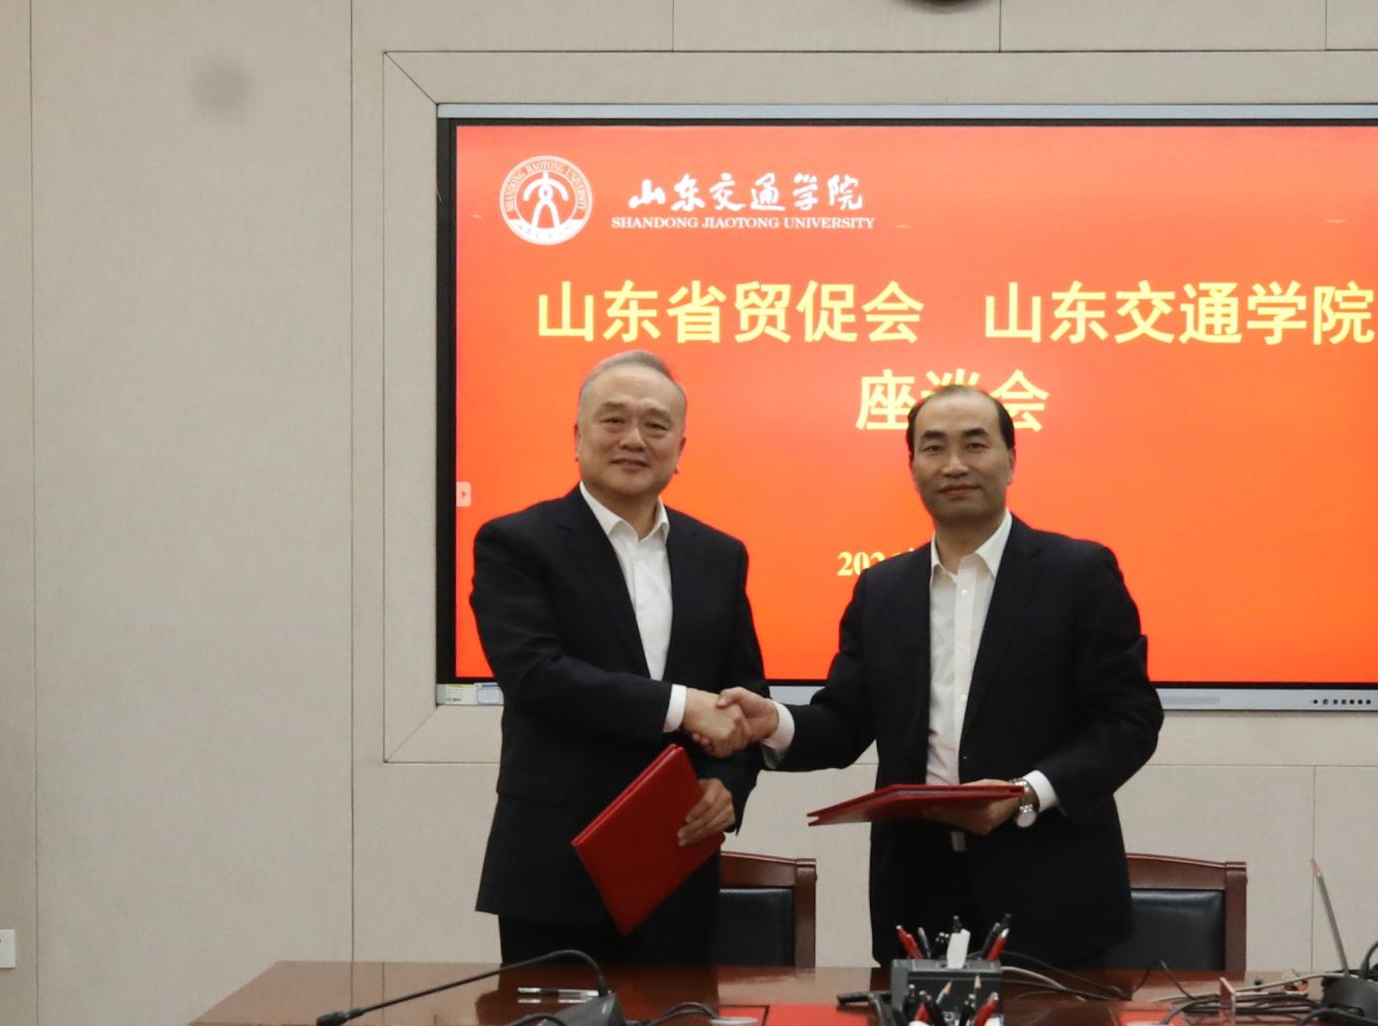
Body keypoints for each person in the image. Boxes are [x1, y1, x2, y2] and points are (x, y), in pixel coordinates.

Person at [715, 385, 1162, 965]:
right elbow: (844, 724)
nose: (954, 464)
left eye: (975, 445)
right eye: (933, 448)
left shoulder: (1078, 573)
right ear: (913, 468)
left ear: (1011, 460)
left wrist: (1026, 793)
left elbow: (1129, 721)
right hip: (917, 891)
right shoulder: (882, 589)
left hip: (1051, 887)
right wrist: (771, 721)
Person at [470, 351, 763, 964]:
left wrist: (729, 785)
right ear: (577, 436)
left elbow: (742, 697)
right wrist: (682, 707)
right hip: (553, 869)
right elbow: (537, 677)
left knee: (678, 1009)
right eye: (614, 420)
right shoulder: (516, 543)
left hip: (677, 864)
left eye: (656, 425)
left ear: (680, 449)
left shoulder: (719, 555)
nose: (634, 439)